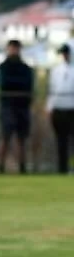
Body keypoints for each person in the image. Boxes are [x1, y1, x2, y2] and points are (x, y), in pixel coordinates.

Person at [0, 39, 34, 174]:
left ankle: (22, 167)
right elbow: (4, 84)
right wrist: (18, 84)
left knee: (21, 139)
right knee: (5, 137)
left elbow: (28, 85)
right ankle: (0, 167)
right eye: (11, 48)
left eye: (16, 48)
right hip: (7, 106)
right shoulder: (3, 67)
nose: (14, 51)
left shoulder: (25, 68)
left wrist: (15, 84)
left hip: (22, 107)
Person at [48, 43, 74, 175]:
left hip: (71, 109)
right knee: (61, 141)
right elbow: (52, 90)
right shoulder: (56, 71)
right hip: (59, 109)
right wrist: (50, 107)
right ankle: (62, 168)